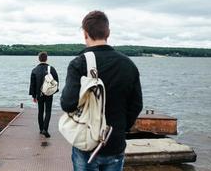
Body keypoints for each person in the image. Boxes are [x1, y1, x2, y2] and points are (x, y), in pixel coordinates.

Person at [60, 11, 143, 171]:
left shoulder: (79, 64)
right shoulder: (128, 65)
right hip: (115, 142)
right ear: (108, 33)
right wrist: (121, 128)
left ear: (85, 34)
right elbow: (136, 105)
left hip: (87, 144)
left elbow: (68, 104)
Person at [29, 51, 59, 138]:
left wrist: (34, 96)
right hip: (49, 93)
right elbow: (56, 82)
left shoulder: (34, 70)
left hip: (39, 94)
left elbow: (32, 85)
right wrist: (54, 91)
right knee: (48, 111)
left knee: (40, 111)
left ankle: (41, 129)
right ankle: (45, 129)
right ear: (46, 58)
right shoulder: (52, 69)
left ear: (39, 59)